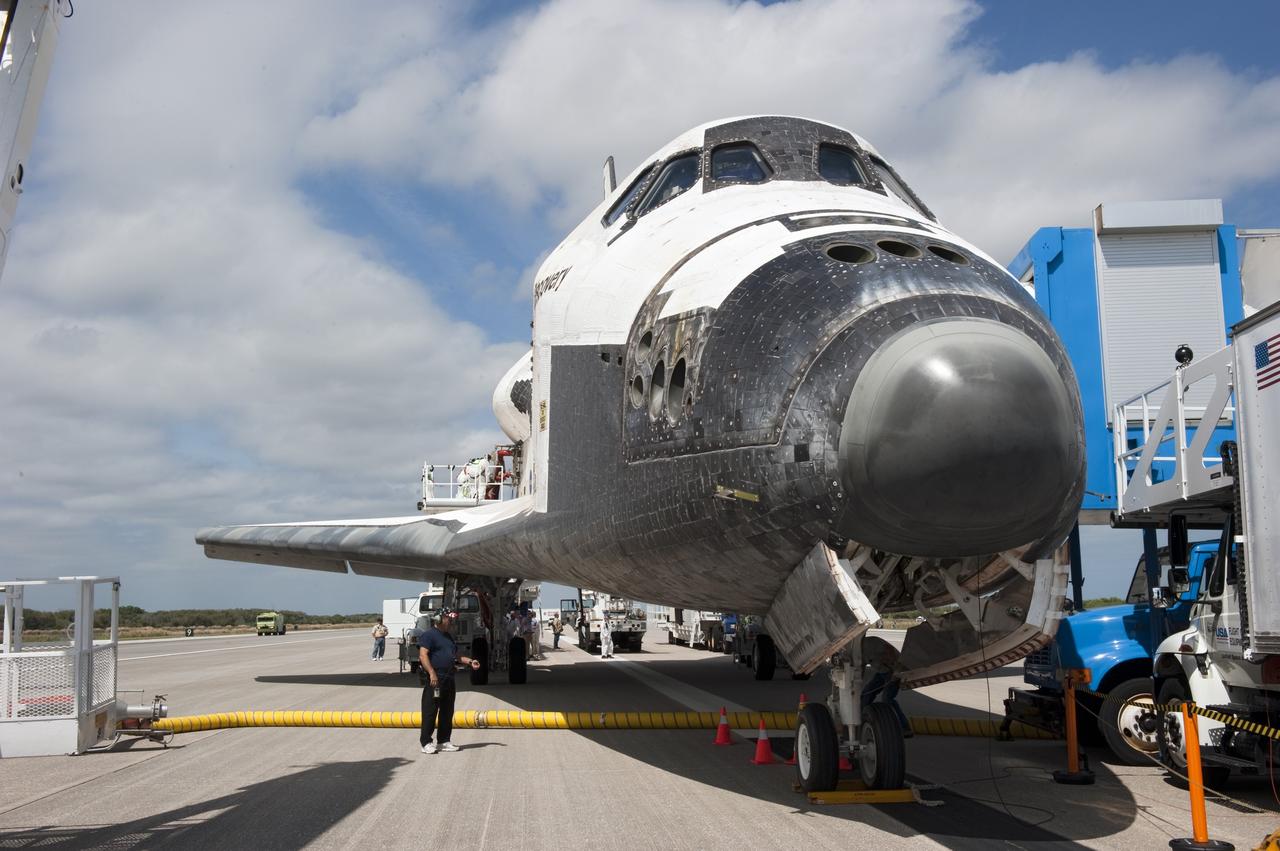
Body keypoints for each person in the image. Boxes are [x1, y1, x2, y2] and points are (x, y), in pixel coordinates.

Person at [418, 609, 481, 754]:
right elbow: (423, 655)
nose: (451, 621)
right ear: (439, 619)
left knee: (447, 711)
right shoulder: (429, 635)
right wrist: (432, 673)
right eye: (448, 618)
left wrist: (470, 661)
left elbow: (457, 656)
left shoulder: (448, 636)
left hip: (449, 678)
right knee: (430, 711)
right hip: (435, 679)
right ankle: (426, 743)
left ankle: (444, 741)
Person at [860, 634, 911, 737]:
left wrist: (896, 672)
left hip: (893, 671)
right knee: (866, 694)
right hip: (882, 672)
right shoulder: (856, 650)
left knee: (887, 699)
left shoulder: (871, 643)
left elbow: (890, 653)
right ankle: (861, 721)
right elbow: (861, 666)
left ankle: (905, 728)